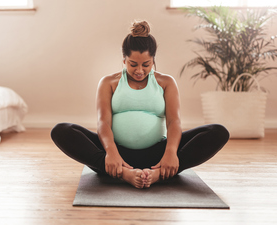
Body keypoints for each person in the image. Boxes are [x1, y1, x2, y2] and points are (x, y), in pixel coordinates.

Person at [51, 20, 229, 189]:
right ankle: (123, 172)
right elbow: (103, 123)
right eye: (133, 64)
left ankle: (159, 173)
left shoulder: (166, 82)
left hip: (157, 154)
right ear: (124, 60)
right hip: (116, 153)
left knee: (218, 132)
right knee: (62, 130)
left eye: (146, 64)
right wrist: (111, 152)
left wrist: (171, 152)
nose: (139, 70)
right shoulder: (108, 82)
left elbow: (174, 122)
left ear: (153, 60)